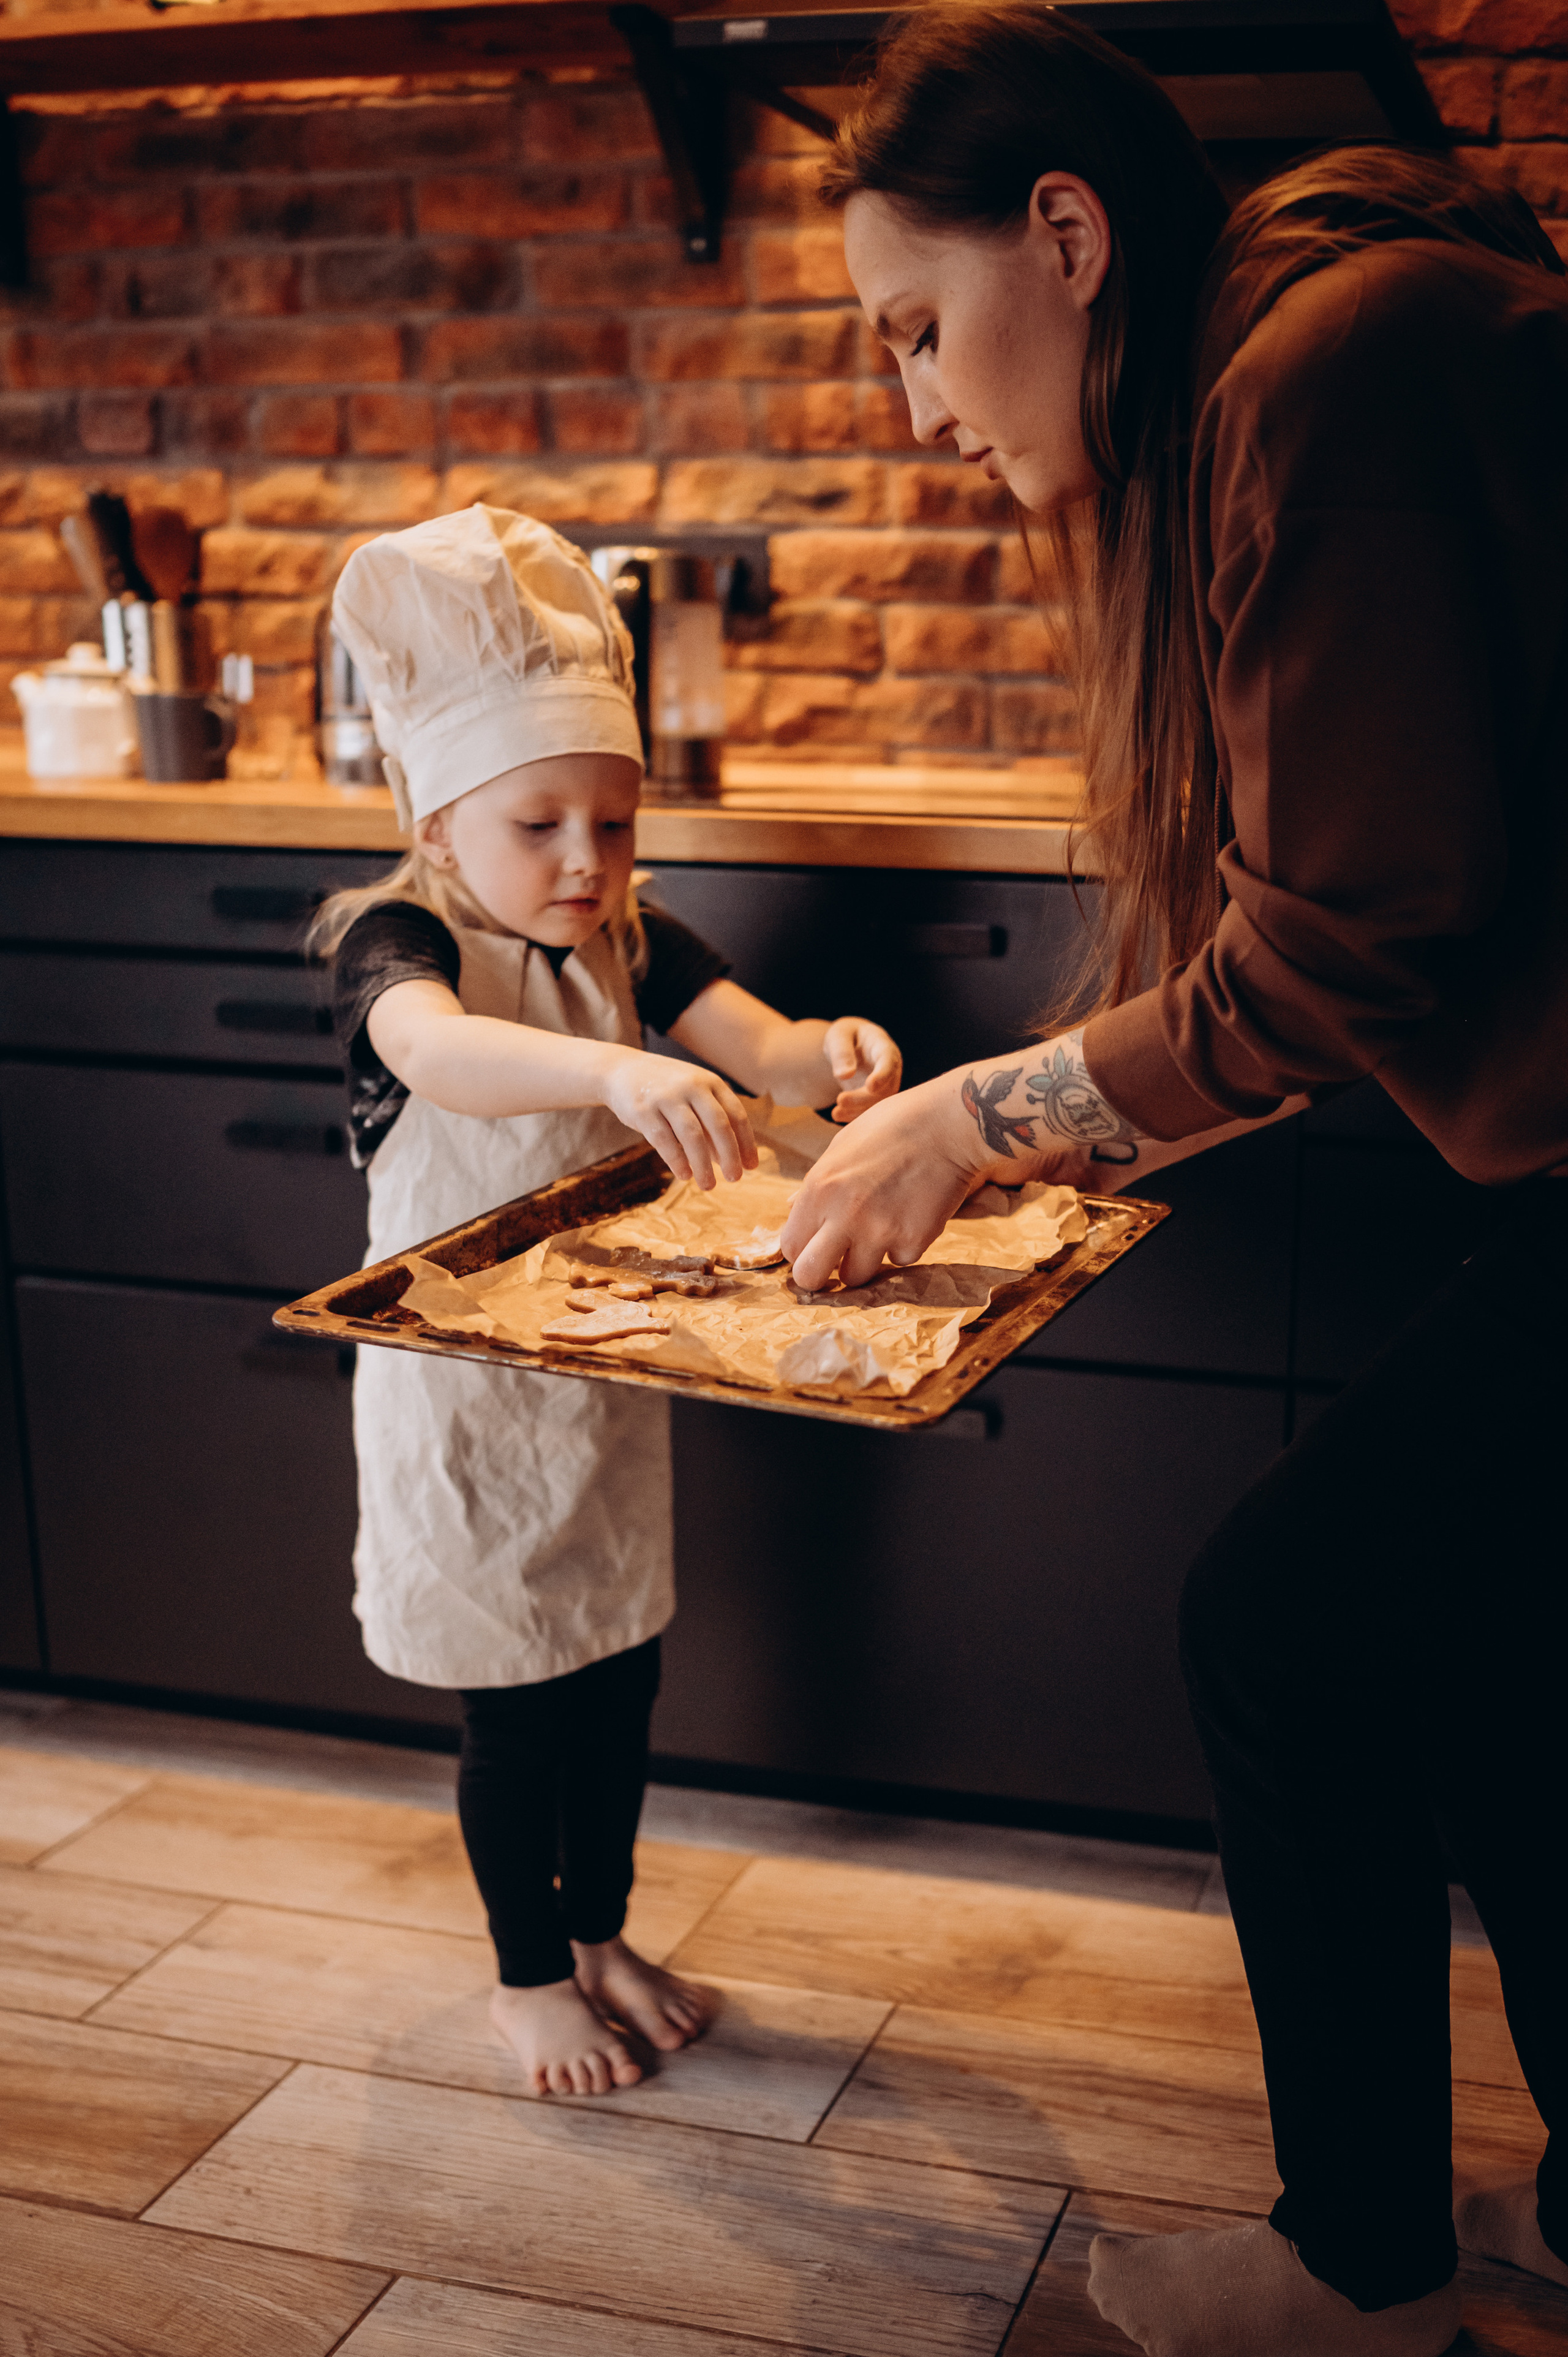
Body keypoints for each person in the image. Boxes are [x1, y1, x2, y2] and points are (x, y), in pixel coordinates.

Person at [780, 9, 1568, 2353]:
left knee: (1288, 1623)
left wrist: (972, 1117)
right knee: (1484, 1642)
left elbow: (1348, 936)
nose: (918, 410)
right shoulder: (1309, 354)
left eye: (915, 331)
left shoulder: (1328, 367)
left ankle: (1357, 2270)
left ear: (1067, 232)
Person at [315, 505, 901, 2100]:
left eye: (617, 824)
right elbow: (439, 1054)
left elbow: (767, 1047)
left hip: (603, 1383)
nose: (588, 860)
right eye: (541, 824)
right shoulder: (398, 944)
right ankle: (528, 1980)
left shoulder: (631, 938)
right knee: (516, 1709)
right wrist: (614, 1073)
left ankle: (602, 1937)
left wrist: (834, 1052)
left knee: (617, 1677)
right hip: (464, 1408)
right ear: (440, 825)